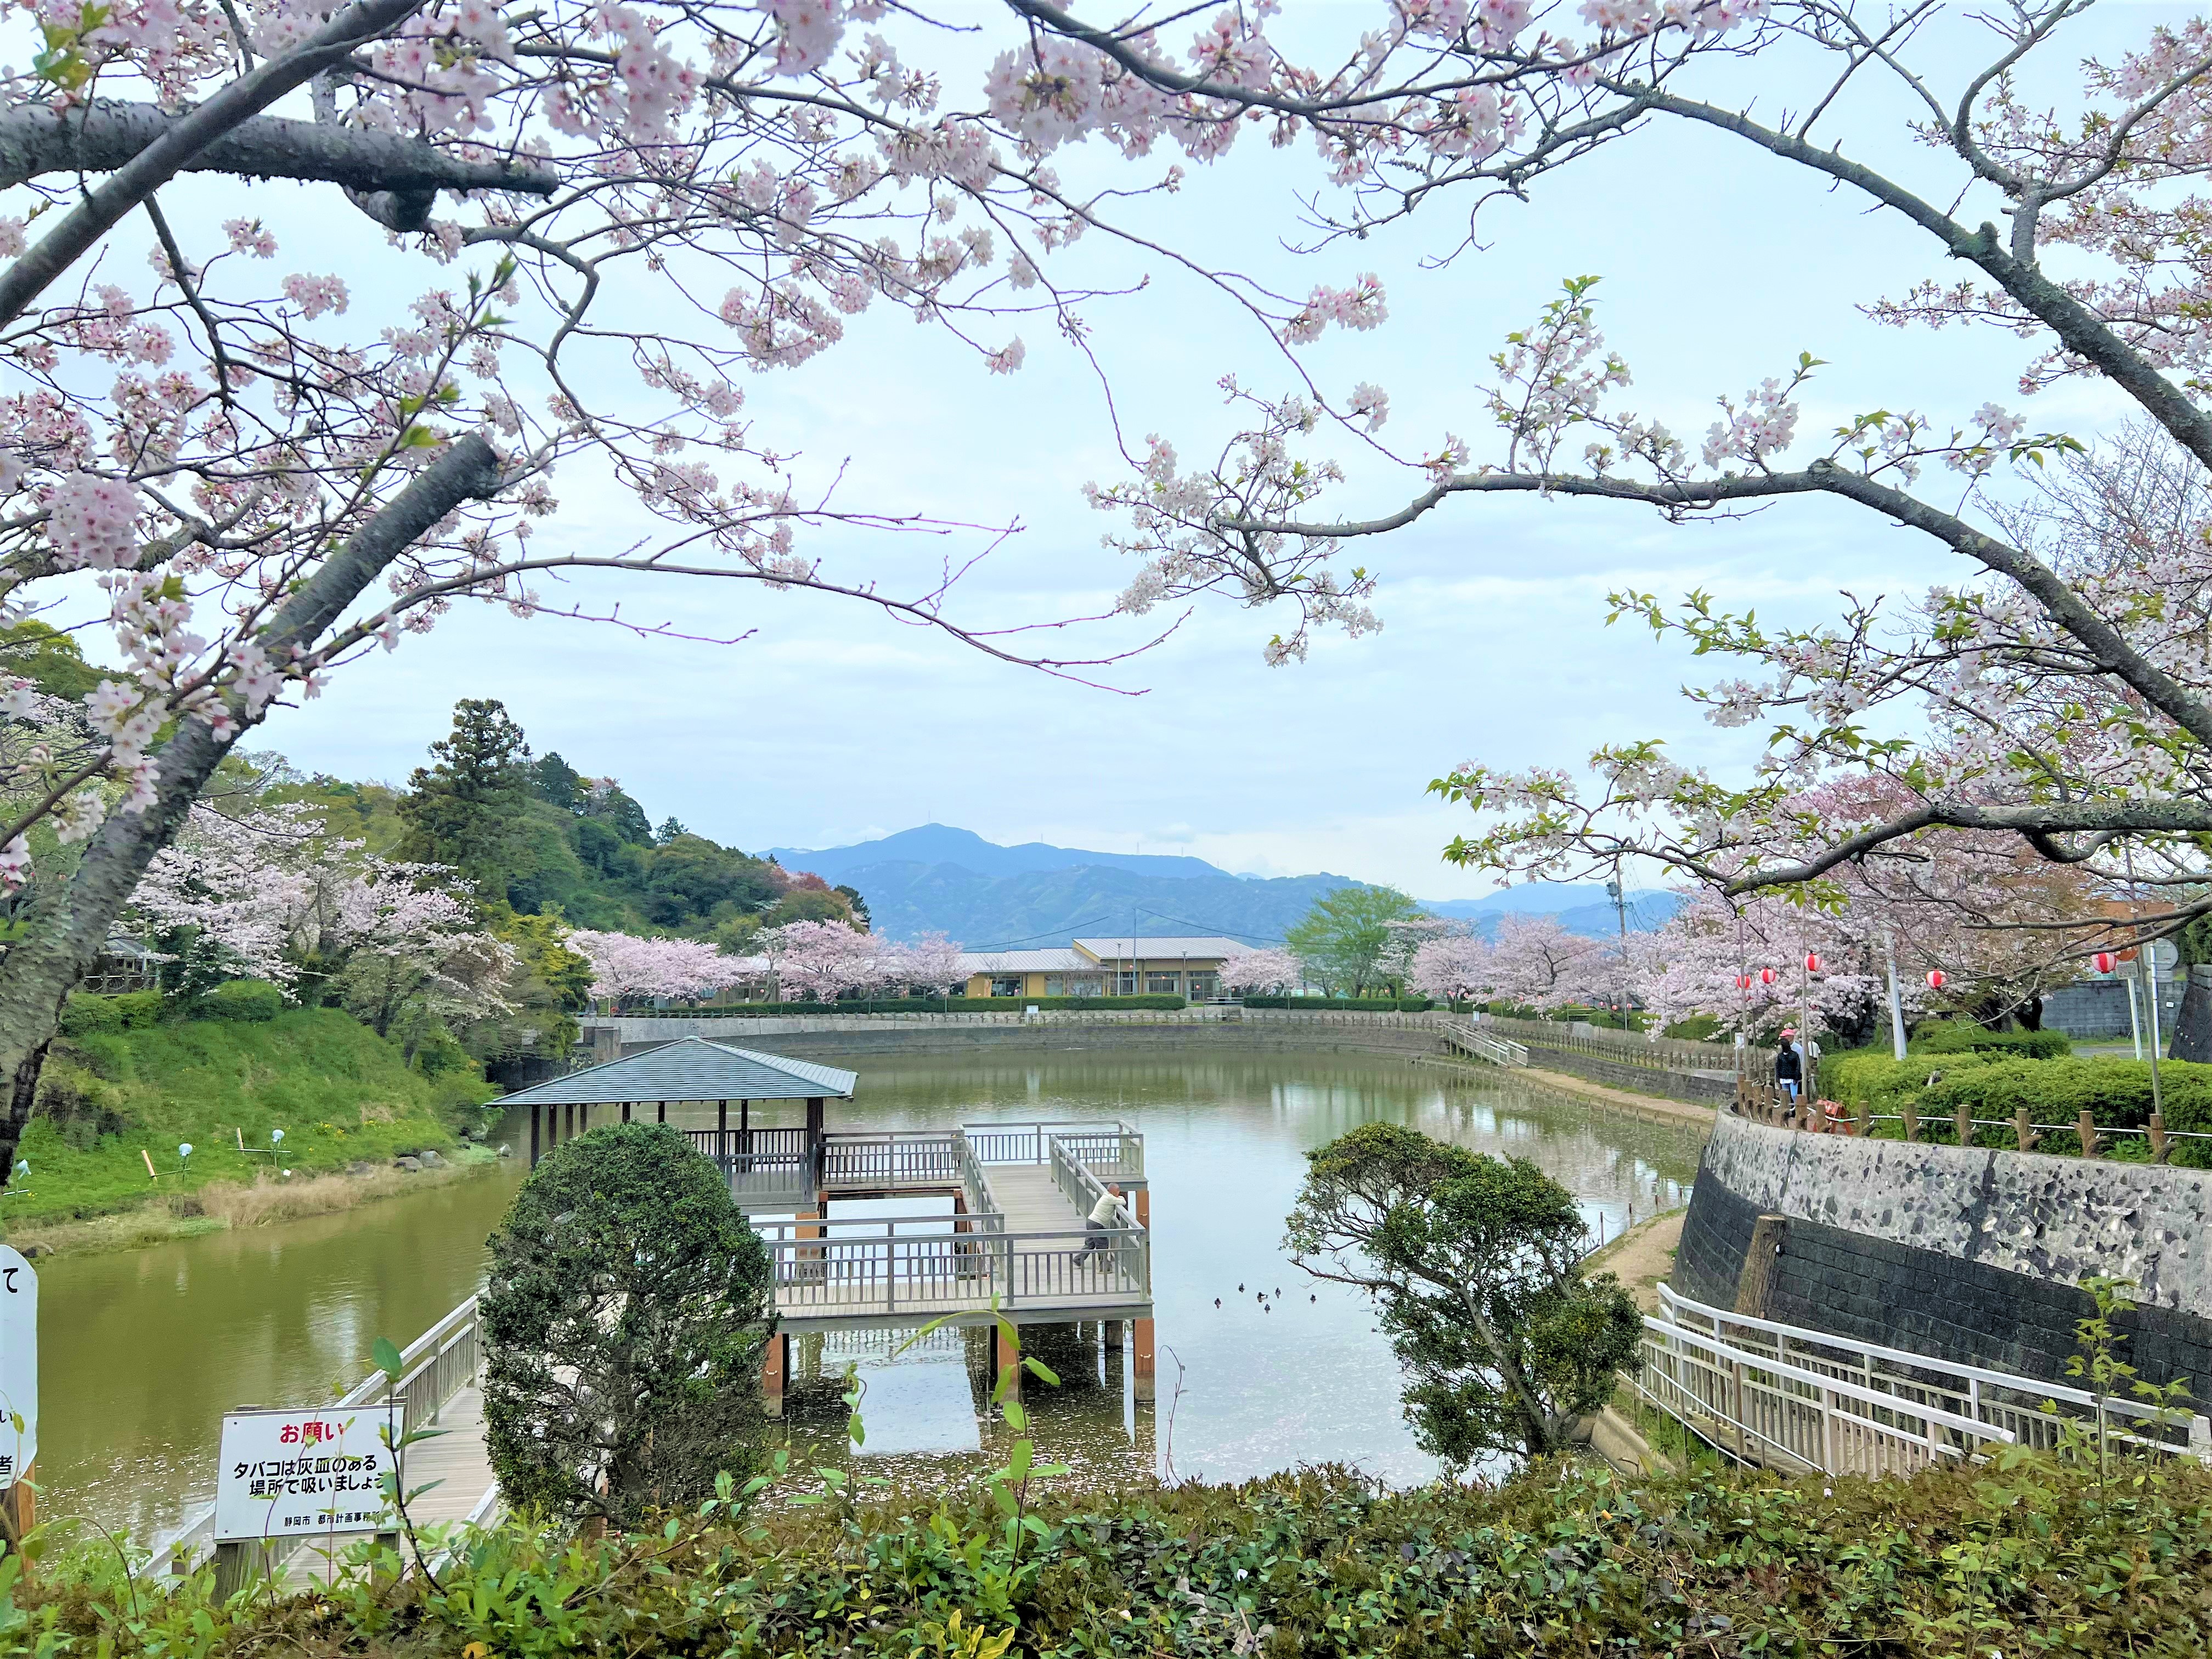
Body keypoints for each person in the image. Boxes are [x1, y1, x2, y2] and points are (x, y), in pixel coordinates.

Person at [1078, 1183, 1122, 1264]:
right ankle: (1104, 1264)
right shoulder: (1109, 1198)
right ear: (1113, 1191)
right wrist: (1120, 1198)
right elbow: (1123, 1202)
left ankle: (1078, 1260)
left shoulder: (1107, 1196)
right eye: (1118, 1190)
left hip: (1091, 1221)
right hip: (1097, 1224)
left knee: (1090, 1244)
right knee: (1102, 1243)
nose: (1119, 1192)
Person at [1775, 1031, 1804, 1106]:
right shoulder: (1780, 1056)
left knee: (1794, 1095)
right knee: (1786, 1095)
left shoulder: (1795, 1055)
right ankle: (1788, 1110)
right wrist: (1778, 1078)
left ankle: (1797, 1108)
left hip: (1792, 1078)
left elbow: (1798, 1066)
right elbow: (1778, 1067)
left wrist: (1796, 1077)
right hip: (1784, 1078)